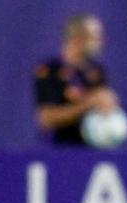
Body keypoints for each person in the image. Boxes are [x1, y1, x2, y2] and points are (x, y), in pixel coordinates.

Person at [34, 13, 121, 145]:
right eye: (95, 37)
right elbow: (46, 119)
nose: (101, 42)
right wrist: (89, 103)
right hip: (59, 152)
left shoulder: (97, 71)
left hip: (92, 150)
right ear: (77, 39)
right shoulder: (49, 70)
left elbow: (100, 109)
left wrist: (108, 106)